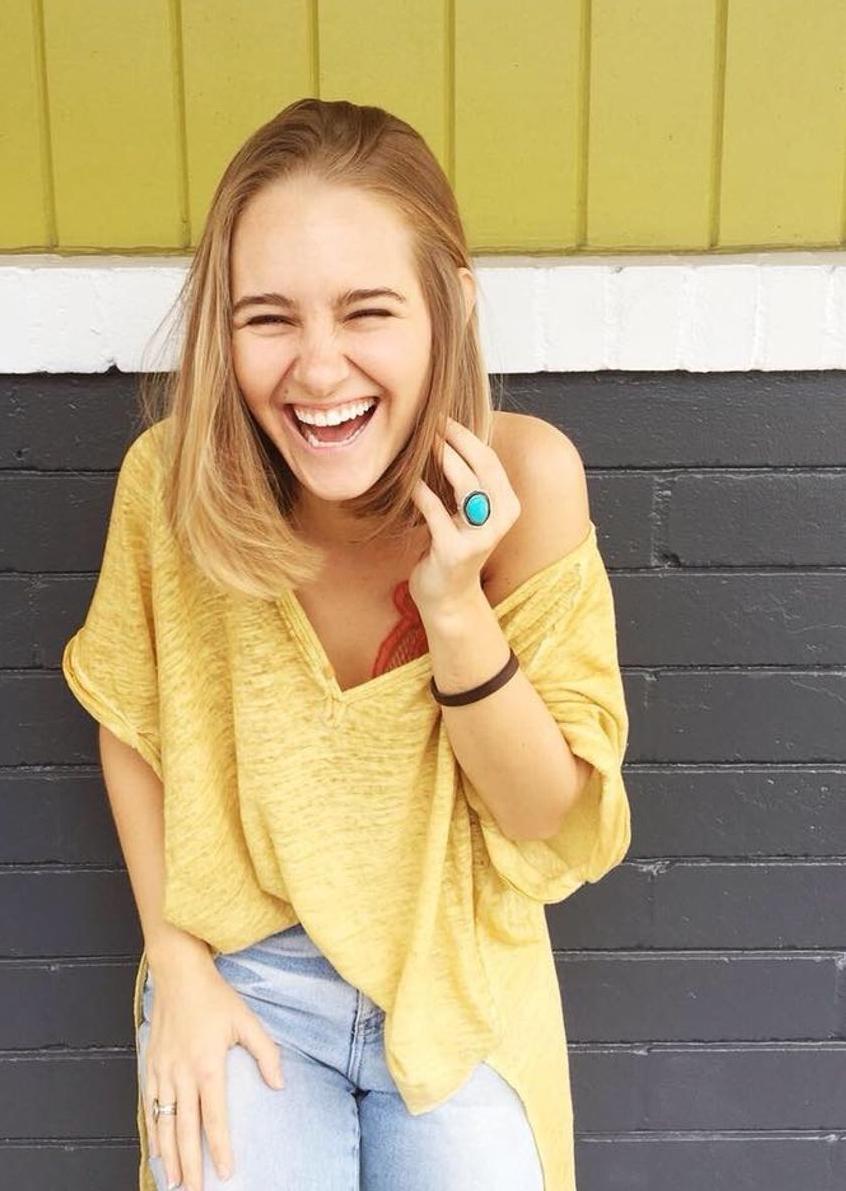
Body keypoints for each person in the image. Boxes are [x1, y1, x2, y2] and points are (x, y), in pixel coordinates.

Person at [62, 98, 631, 1191]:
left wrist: (456, 610)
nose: (318, 371)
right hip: (244, 973)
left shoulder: (531, 479)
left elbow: (544, 818)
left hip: (458, 980)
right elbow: (131, 723)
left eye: (367, 311)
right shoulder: (171, 484)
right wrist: (176, 969)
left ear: (449, 306)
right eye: (268, 318)